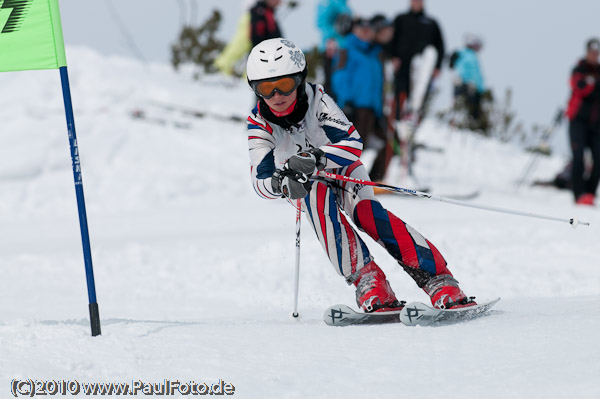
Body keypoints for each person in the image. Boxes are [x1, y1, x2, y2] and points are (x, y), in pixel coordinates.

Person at [246, 38, 476, 312]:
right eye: (265, 88)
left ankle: (439, 280)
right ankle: (369, 281)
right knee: (315, 199)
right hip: (302, 183)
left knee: (366, 213)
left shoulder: (318, 100)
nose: (276, 96)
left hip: (341, 169)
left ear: (299, 79)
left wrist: (317, 157)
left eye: (284, 84)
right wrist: (280, 183)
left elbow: (352, 143)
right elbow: (259, 180)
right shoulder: (259, 123)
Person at [331, 18, 386, 181]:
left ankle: (374, 180)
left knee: (386, 143)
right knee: (352, 146)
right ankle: (339, 180)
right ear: (354, 31)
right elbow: (340, 76)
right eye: (362, 30)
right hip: (355, 106)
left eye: (369, 30)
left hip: (373, 107)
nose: (366, 33)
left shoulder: (375, 53)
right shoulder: (346, 49)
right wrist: (346, 100)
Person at [388, 0, 445, 122]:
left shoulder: (431, 23)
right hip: (403, 66)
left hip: (422, 70)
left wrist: (437, 67)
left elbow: (440, 46)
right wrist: (393, 56)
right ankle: (396, 121)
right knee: (400, 94)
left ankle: (413, 123)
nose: (416, 3)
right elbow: (391, 39)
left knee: (418, 99)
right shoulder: (401, 19)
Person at [565, 38, 600, 206]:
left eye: (597, 52)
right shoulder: (579, 68)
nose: (594, 55)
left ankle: (590, 193)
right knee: (578, 158)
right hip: (578, 121)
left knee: (598, 160)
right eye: (592, 51)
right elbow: (578, 87)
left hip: (596, 124)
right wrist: (590, 84)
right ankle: (579, 194)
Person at [315, 0, 353, 98]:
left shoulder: (343, 4)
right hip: (334, 49)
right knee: (332, 82)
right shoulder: (328, 3)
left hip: (345, 48)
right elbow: (321, 22)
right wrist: (331, 39)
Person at [452, 34, 486, 131]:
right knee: (466, 108)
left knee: (466, 108)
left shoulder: (468, 55)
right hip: (467, 85)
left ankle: (467, 126)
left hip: (469, 85)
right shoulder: (466, 55)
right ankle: (461, 125)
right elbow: (472, 73)